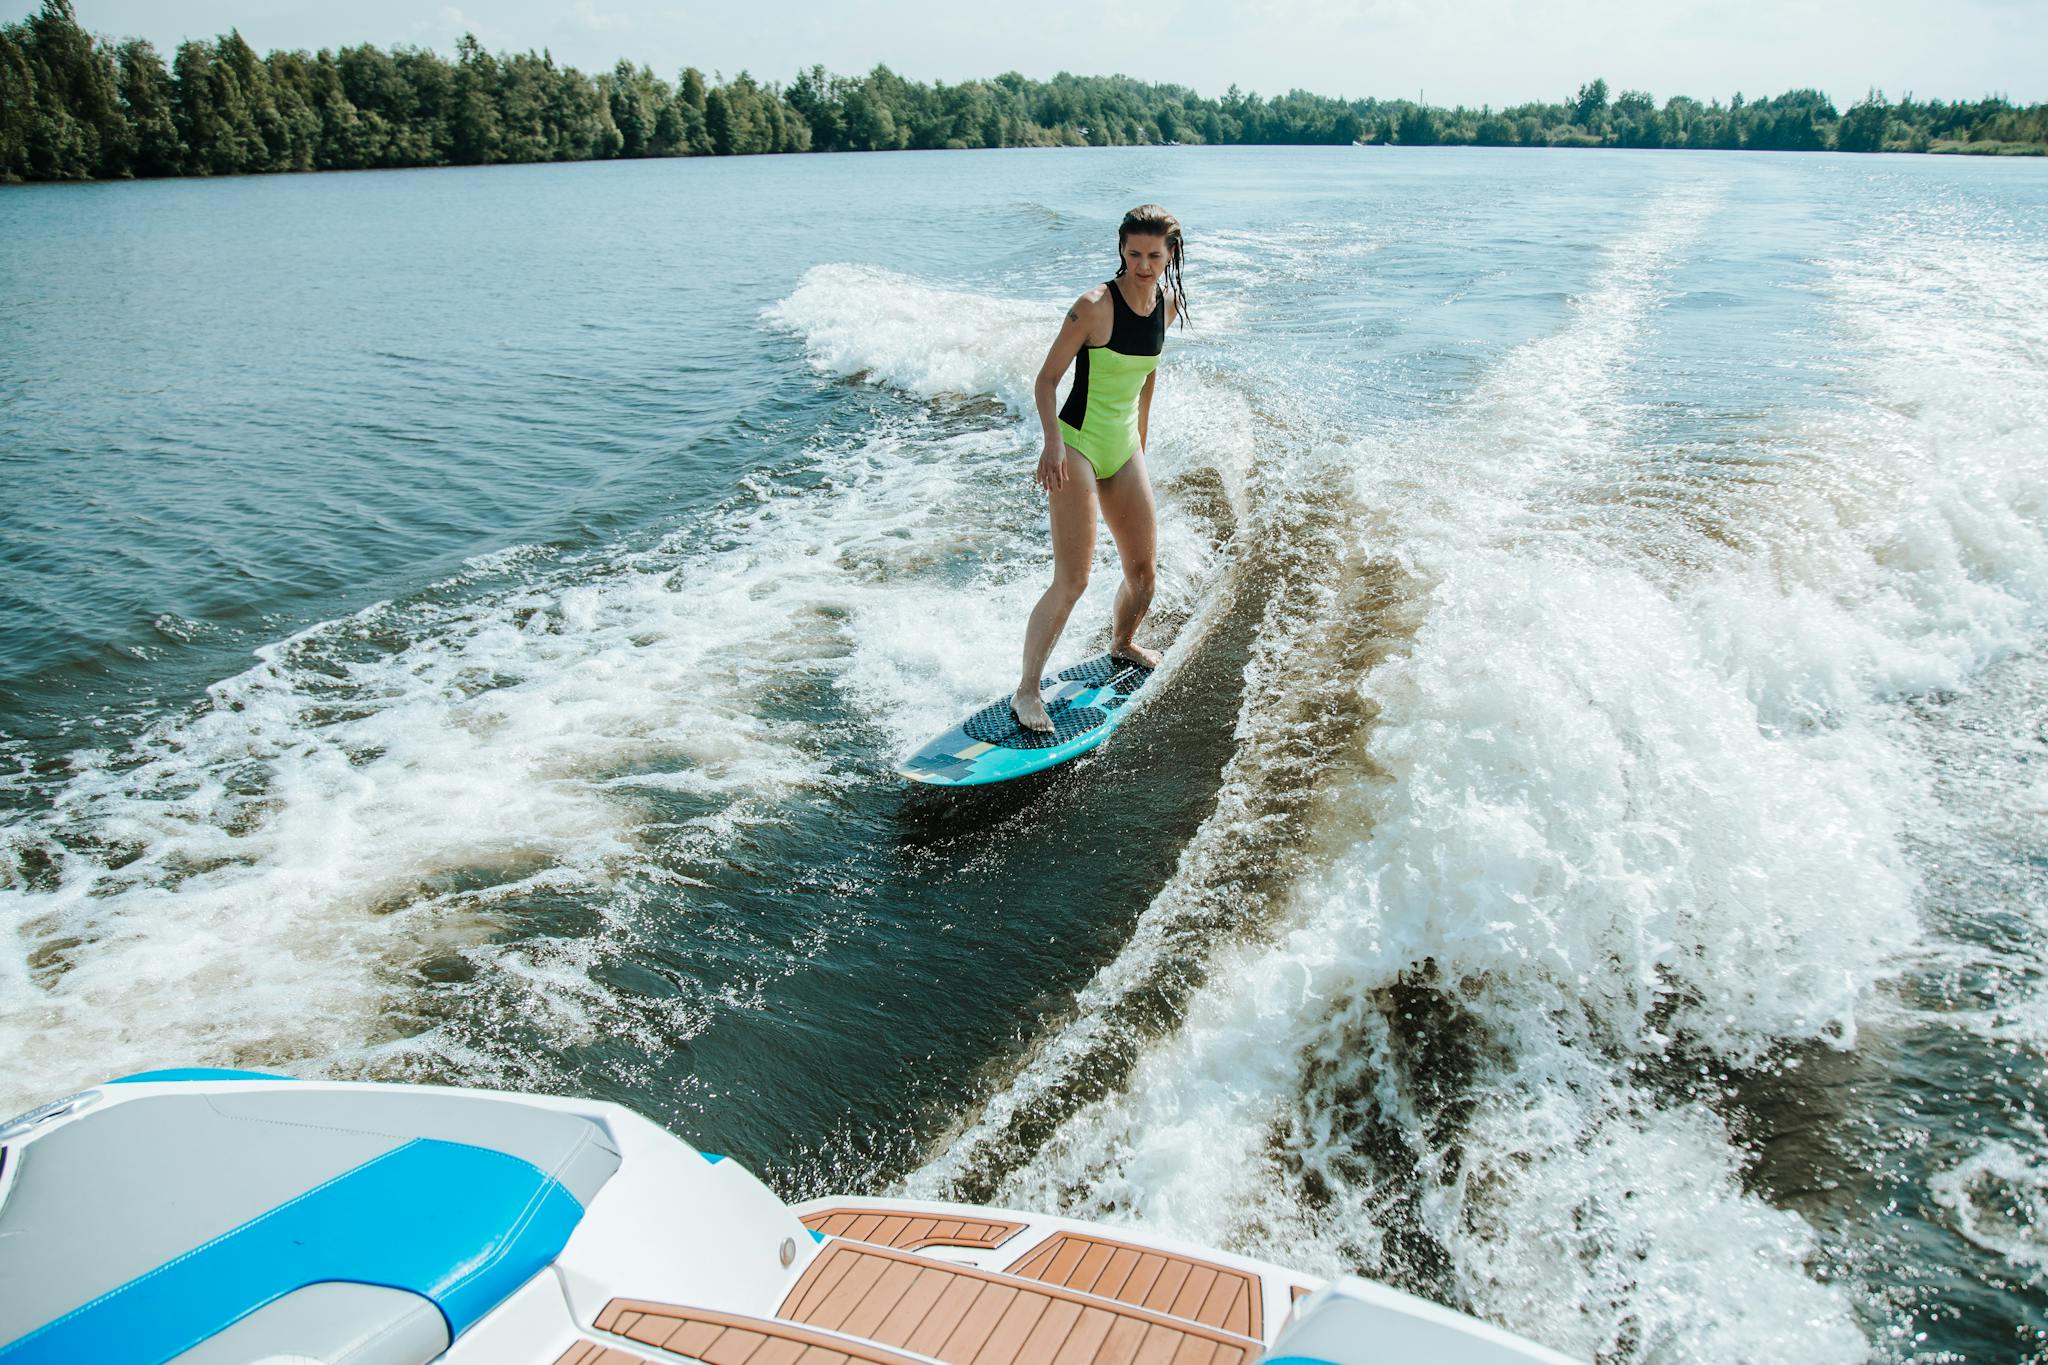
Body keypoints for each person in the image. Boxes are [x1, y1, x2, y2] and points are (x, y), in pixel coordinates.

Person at [1012, 204, 1188, 735]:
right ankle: (1026, 691)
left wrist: (1141, 441)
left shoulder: (1169, 305)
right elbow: (1046, 380)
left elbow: (1147, 376)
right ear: (1122, 251)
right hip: (1077, 446)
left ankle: (1122, 642)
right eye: (1133, 254)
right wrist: (1051, 444)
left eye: (1153, 255)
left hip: (1123, 446)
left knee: (1144, 574)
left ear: (1170, 254)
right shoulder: (1093, 307)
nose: (1143, 265)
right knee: (1074, 580)